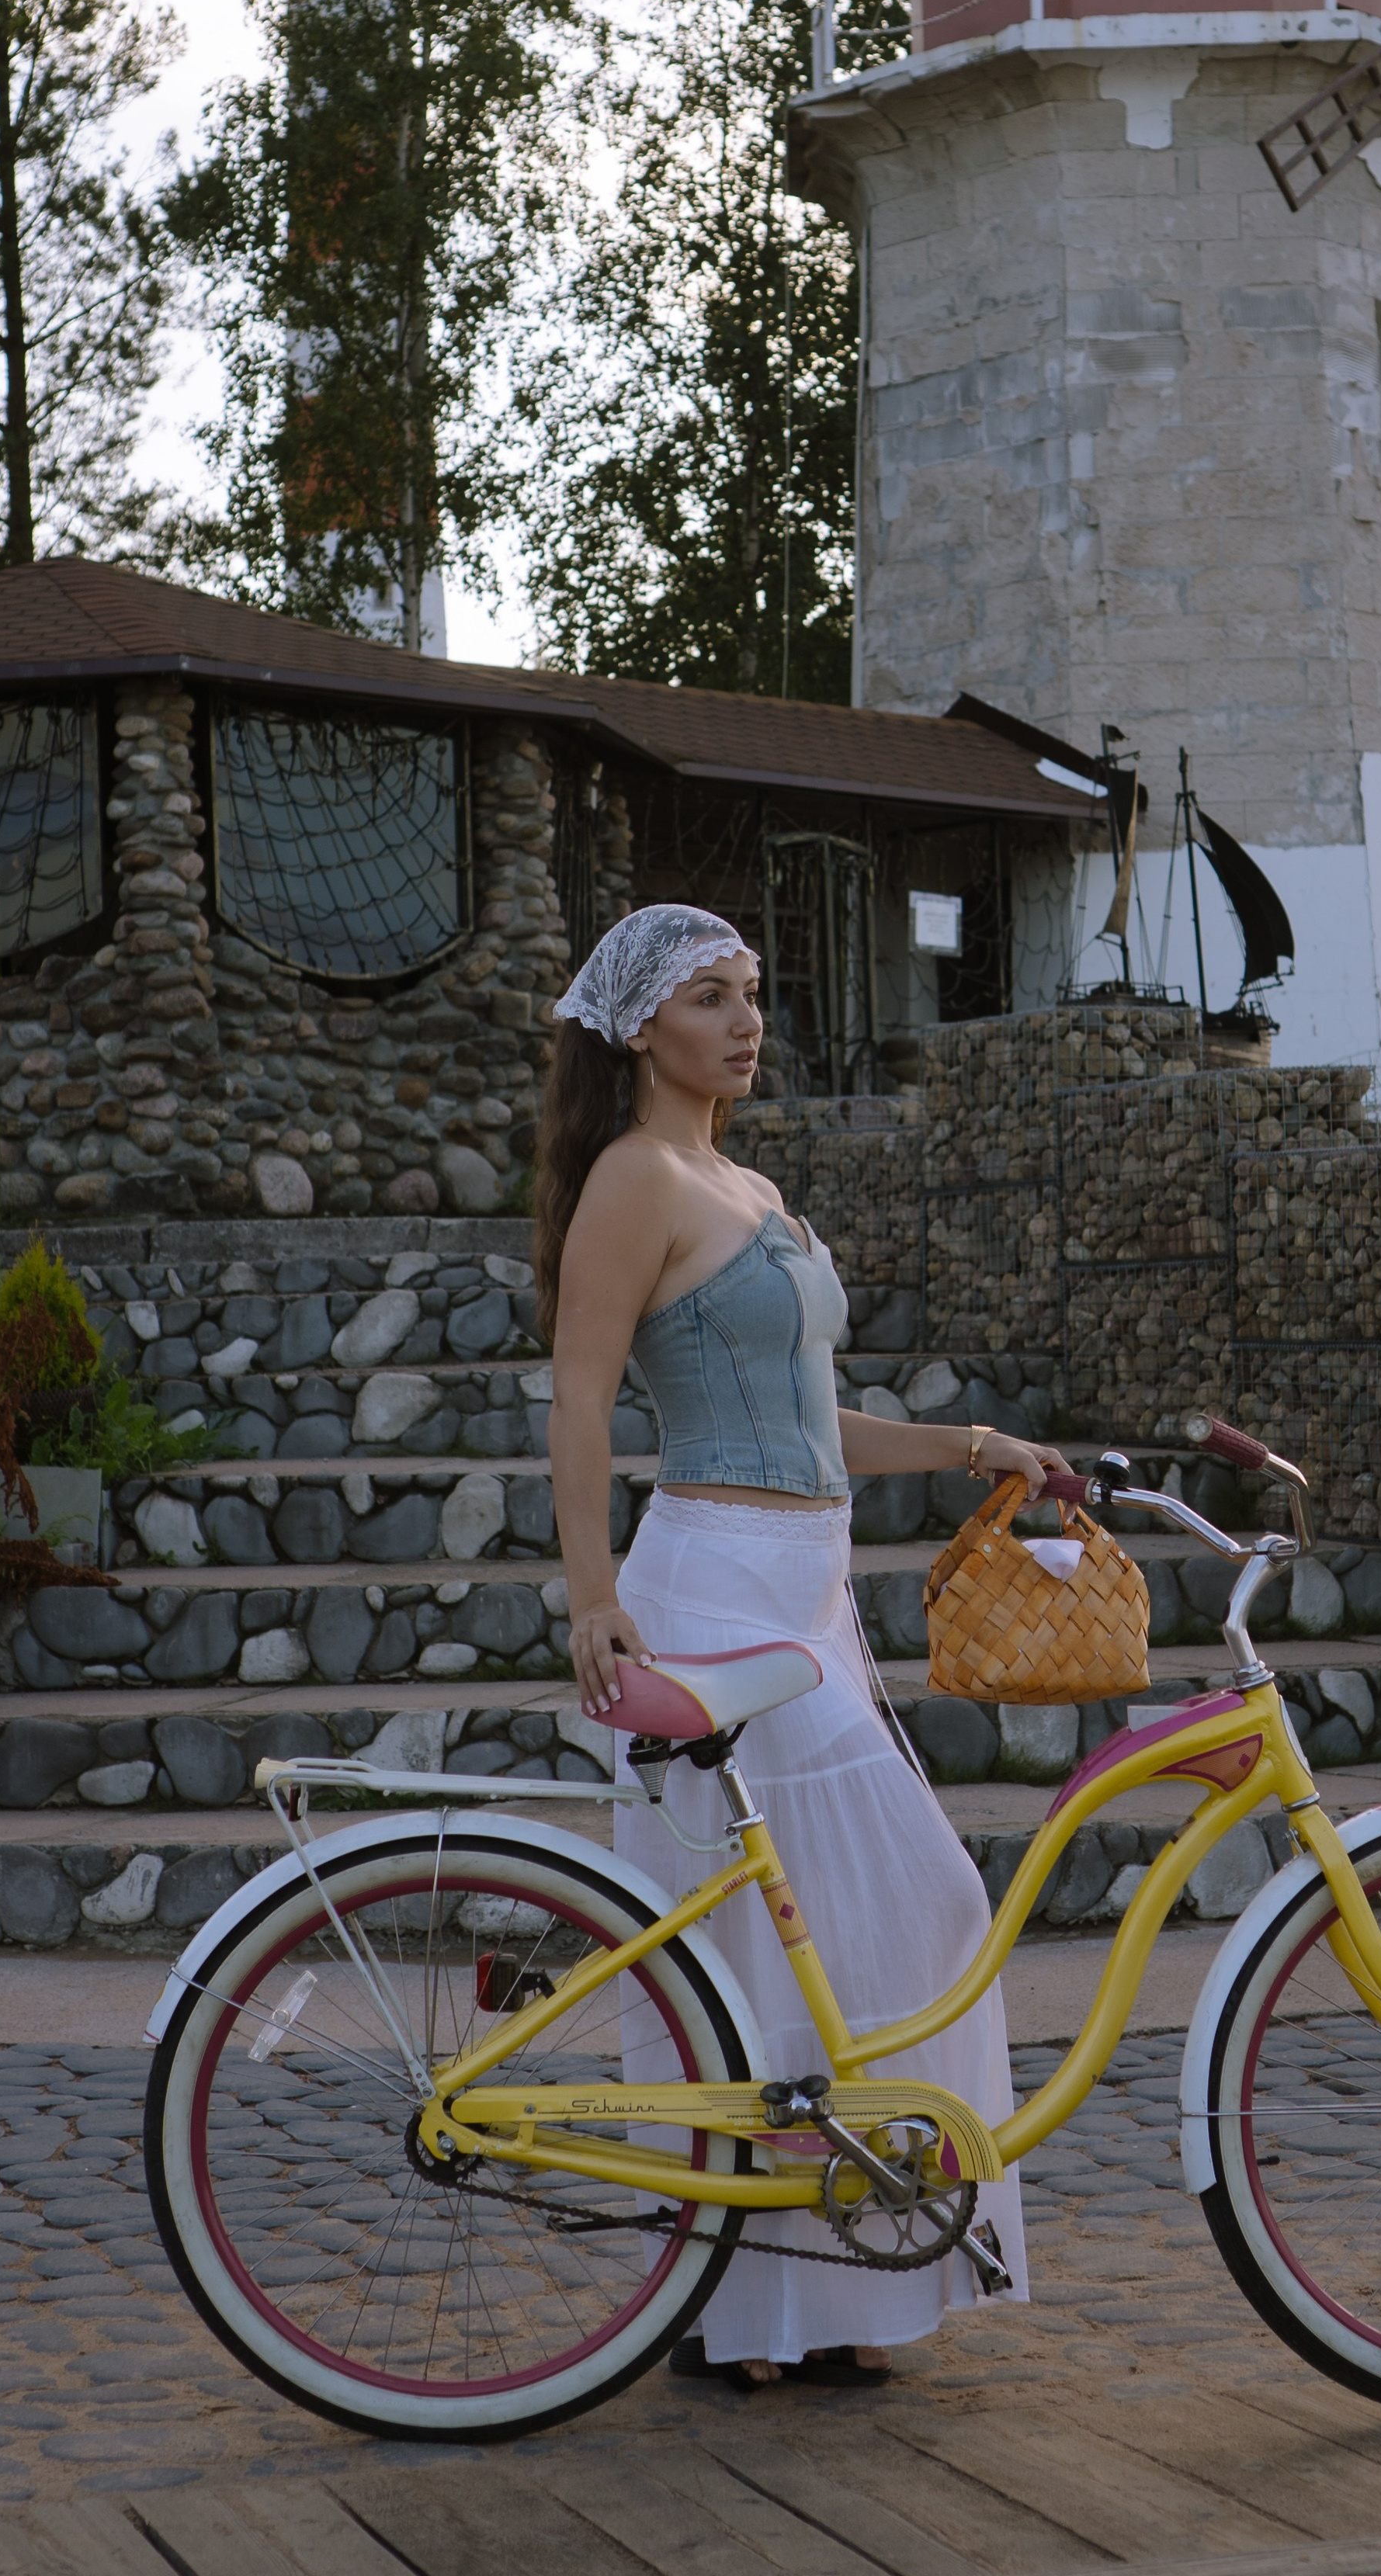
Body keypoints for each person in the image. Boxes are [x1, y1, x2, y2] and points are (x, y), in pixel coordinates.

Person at [538, 903, 1057, 2392]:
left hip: (806, 1592)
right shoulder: (635, 1179)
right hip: (709, 1590)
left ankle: (828, 2287)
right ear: (642, 1026)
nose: (745, 1020)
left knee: (854, 1931)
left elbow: (816, 1422)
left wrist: (976, 1446)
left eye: (752, 993)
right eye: (710, 996)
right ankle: (733, 2309)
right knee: (772, 1941)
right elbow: (580, 1398)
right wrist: (591, 1597)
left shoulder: (749, 1184)